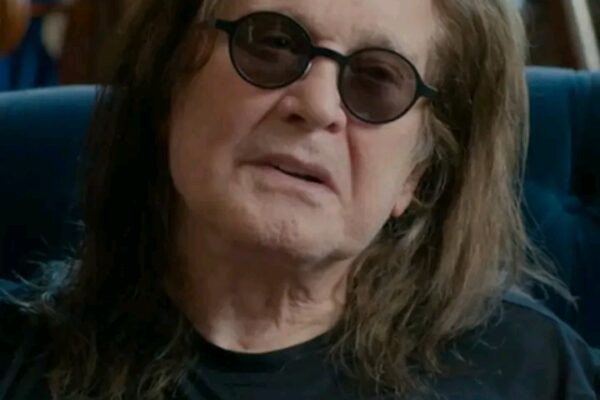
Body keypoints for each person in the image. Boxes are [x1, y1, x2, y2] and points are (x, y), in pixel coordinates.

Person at [0, 0, 599, 399]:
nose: (315, 106)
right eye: (272, 44)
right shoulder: (17, 362)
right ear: (169, 85)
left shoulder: (533, 372)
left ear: (417, 174)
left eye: (377, 79)